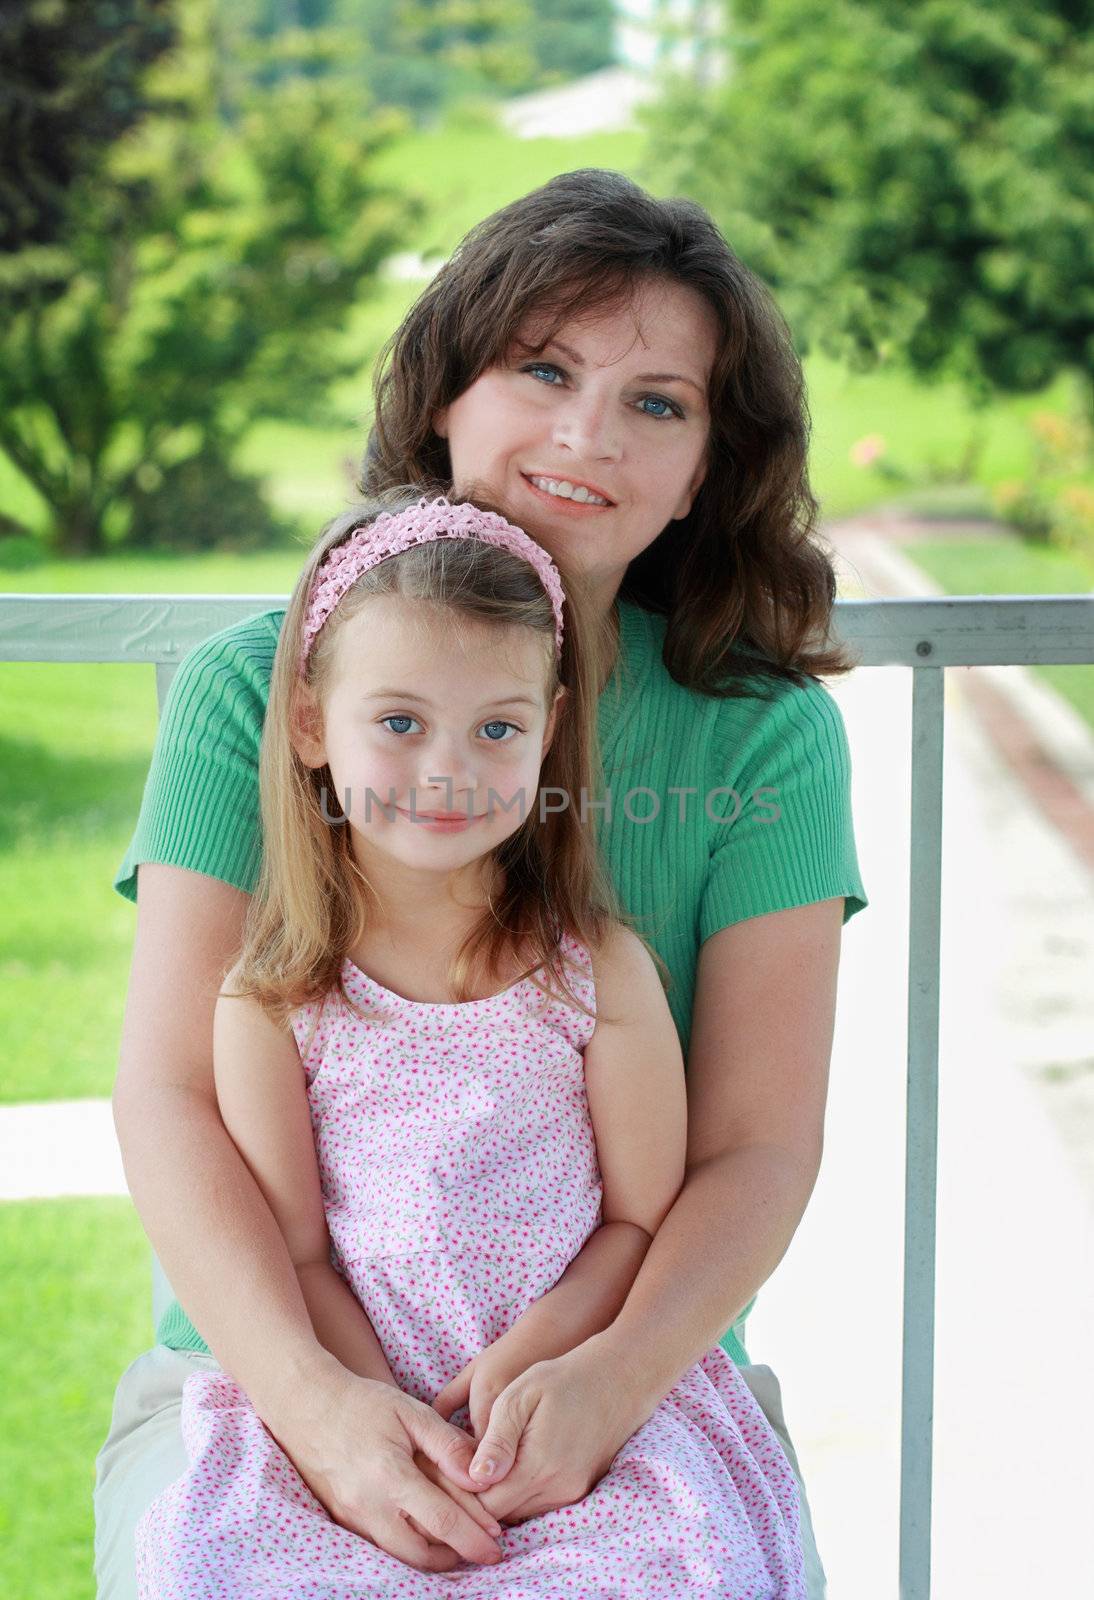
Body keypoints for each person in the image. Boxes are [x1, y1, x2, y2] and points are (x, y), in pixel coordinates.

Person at [95, 168, 867, 1599]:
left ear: (707, 465)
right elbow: (172, 1095)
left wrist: (611, 1378)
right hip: (264, 1374)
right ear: (445, 394)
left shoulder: (764, 734)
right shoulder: (251, 696)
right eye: (542, 369)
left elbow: (756, 1146)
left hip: (633, 1380)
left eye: (658, 401)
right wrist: (321, 1413)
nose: (587, 433)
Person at [131, 487, 810, 1597]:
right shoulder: (270, 995)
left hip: (584, 1408)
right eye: (397, 723)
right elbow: (298, 1252)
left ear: (547, 730)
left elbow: (641, 1217)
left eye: (495, 728)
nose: (448, 769)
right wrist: (387, 1425)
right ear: (310, 724)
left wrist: (544, 1366)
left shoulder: (593, 972)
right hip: (348, 1415)